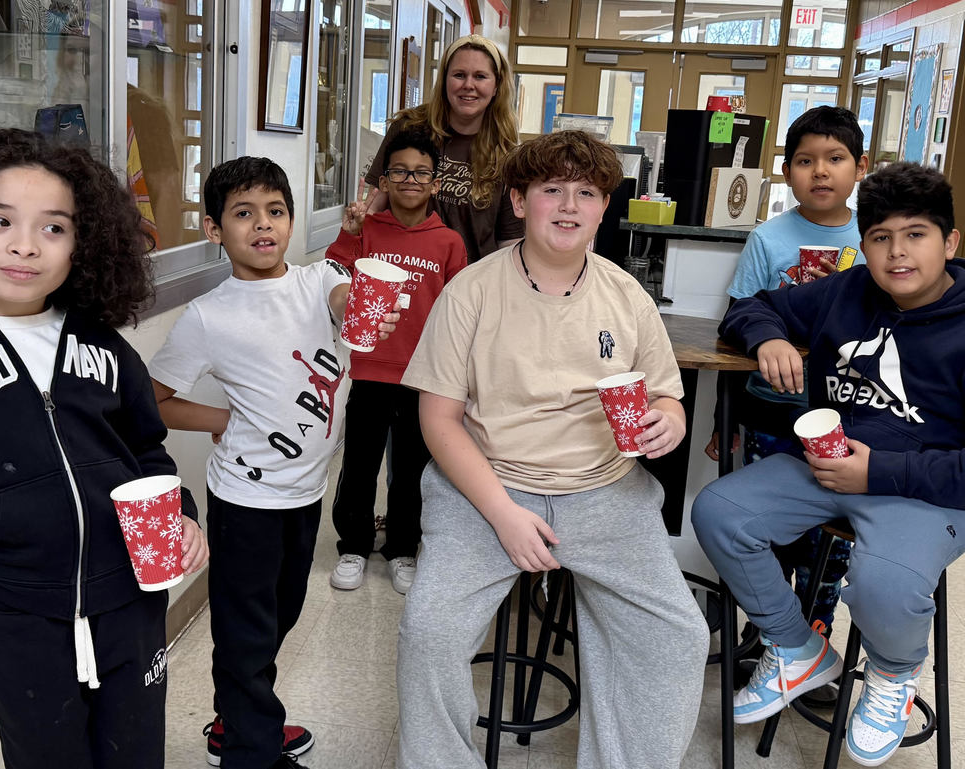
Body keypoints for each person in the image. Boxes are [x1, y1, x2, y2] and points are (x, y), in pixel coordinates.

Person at [396, 130, 709, 769]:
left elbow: (667, 398)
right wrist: (504, 515)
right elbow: (439, 420)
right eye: (551, 190)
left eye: (586, 192)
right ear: (519, 201)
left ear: (603, 208)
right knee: (428, 634)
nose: (568, 206)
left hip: (605, 488)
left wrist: (669, 423)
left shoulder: (627, 297)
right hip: (486, 485)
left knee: (677, 638)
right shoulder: (472, 291)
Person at [0, 126, 208, 769]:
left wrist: (182, 515)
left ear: (83, 243)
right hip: (19, 613)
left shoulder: (103, 347)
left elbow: (147, 448)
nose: (26, 245)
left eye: (54, 227)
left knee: (135, 752)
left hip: (131, 601)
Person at [692, 162, 965, 766]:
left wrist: (882, 473)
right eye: (880, 237)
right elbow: (752, 307)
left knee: (883, 582)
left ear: (950, 242)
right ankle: (795, 646)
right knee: (719, 511)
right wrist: (770, 338)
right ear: (861, 244)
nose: (897, 253)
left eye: (915, 234)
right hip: (824, 465)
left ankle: (894, 674)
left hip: (924, 489)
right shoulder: (849, 289)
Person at [147, 156, 399, 769]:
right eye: (243, 213)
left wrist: (364, 305)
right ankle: (250, 751)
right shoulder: (210, 316)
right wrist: (222, 420)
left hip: (306, 490)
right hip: (245, 499)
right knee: (246, 630)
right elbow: (154, 402)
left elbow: (344, 300)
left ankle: (237, 716)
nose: (264, 225)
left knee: (281, 613)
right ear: (214, 229)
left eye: (276, 211)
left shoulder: (320, 281)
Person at [706, 105, 869, 648]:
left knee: (831, 551)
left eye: (835, 158)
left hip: (850, 422)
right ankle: (773, 641)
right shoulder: (768, 239)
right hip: (772, 413)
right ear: (786, 171)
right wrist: (722, 419)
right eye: (805, 160)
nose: (820, 171)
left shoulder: (878, 240)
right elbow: (736, 319)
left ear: (860, 167)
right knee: (767, 539)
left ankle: (816, 640)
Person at [326, 127, 467, 594]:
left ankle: (404, 548)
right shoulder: (367, 229)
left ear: (435, 183)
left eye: (421, 172)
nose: (410, 179)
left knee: (412, 467)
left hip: (423, 376)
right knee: (361, 462)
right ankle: (353, 545)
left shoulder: (448, 242)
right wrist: (347, 234)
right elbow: (333, 275)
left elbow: (457, 312)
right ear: (384, 180)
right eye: (400, 171)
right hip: (368, 370)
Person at [365, 34, 522, 264]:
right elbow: (375, 205)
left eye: (480, 76)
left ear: (496, 85)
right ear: (445, 80)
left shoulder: (507, 154)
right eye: (459, 75)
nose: (468, 85)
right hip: (402, 271)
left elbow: (509, 242)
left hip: (470, 285)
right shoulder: (408, 127)